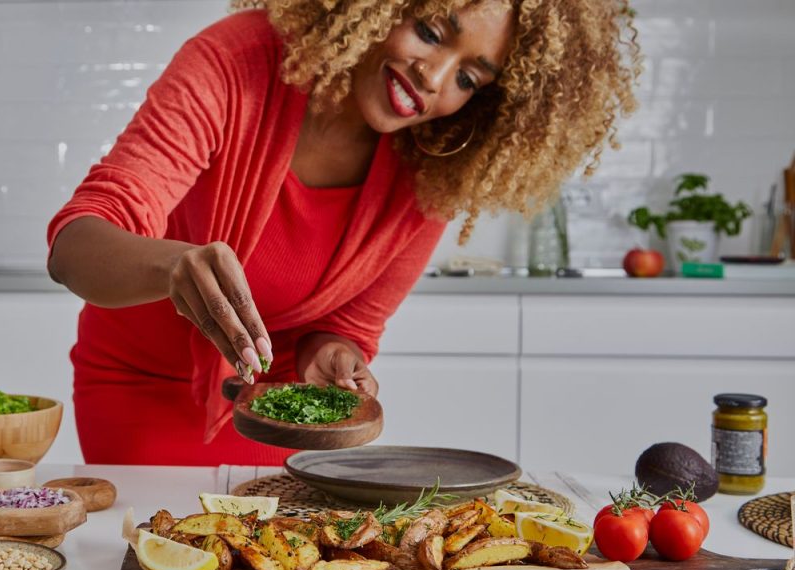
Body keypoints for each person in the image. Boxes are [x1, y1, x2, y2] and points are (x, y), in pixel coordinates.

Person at [46, 0, 640, 466]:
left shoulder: (435, 168)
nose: (434, 78)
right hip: (141, 392)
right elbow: (75, 247)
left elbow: (349, 327)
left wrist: (331, 354)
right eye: (431, 33)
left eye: (469, 79)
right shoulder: (239, 61)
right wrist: (171, 267)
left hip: (280, 413)